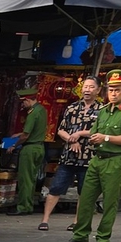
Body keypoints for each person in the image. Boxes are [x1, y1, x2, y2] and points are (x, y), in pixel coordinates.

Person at [62, 70, 121, 242]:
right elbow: (93, 132)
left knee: (110, 201)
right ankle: (80, 235)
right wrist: (87, 137)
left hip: (115, 161)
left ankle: (103, 237)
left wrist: (105, 138)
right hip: (97, 159)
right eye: (111, 90)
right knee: (86, 198)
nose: (113, 93)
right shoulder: (103, 111)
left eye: (117, 90)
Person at [40, 77, 99, 232]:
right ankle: (45, 220)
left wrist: (80, 133)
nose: (87, 90)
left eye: (91, 87)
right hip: (68, 157)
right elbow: (61, 129)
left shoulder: (103, 110)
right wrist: (71, 140)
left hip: (88, 158)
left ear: (98, 90)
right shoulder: (72, 107)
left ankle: (76, 221)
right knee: (56, 187)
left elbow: (100, 132)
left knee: (84, 191)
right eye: (85, 87)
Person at [14, 90, 48, 217]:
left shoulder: (32, 113)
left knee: (25, 179)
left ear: (28, 100)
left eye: (23, 101)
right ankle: (28, 205)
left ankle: (23, 207)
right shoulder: (42, 110)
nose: (23, 104)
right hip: (39, 147)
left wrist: (14, 144)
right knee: (32, 179)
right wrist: (19, 134)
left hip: (30, 149)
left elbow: (26, 135)